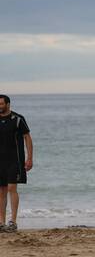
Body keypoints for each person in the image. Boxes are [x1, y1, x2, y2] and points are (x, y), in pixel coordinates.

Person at [0, 95, 33, 232]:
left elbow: (27, 138)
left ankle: (13, 221)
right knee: (1, 191)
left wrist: (30, 158)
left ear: (8, 104)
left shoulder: (18, 119)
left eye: (1, 104)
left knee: (12, 189)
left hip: (15, 160)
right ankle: (1, 223)